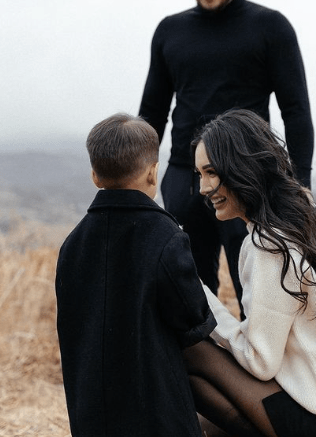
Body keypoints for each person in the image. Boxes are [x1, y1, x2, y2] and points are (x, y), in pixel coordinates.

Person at [139, 0, 314, 307]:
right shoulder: (169, 32)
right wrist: (136, 178)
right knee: (190, 299)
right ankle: (201, 351)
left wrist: (301, 183)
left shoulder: (271, 27)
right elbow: (152, 112)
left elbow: (296, 111)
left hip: (250, 179)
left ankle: (262, 349)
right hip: (184, 179)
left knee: (261, 293)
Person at [185, 109, 316, 437]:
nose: (202, 187)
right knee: (205, 426)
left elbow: (260, 362)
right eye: (199, 174)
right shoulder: (310, 219)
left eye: (211, 172)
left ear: (242, 167)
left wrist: (197, 293)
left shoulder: (268, 244)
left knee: (192, 352)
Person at [55, 113, 216, 437]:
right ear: (153, 173)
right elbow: (194, 321)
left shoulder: (72, 245)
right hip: (158, 417)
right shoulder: (166, 237)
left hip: (91, 417)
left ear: (94, 176)